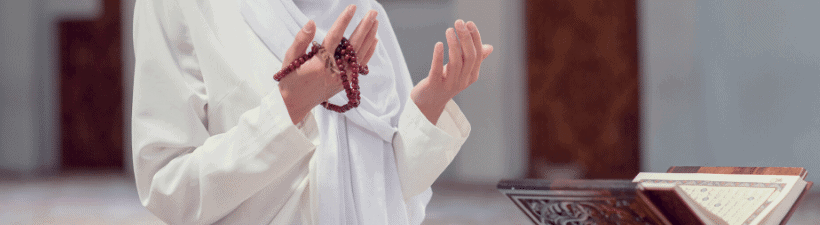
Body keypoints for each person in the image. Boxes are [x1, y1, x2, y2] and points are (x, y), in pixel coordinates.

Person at [131, 0, 493, 224]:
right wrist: (289, 107)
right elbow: (169, 190)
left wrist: (429, 107)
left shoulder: (365, 15)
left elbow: (387, 190)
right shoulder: (183, 6)